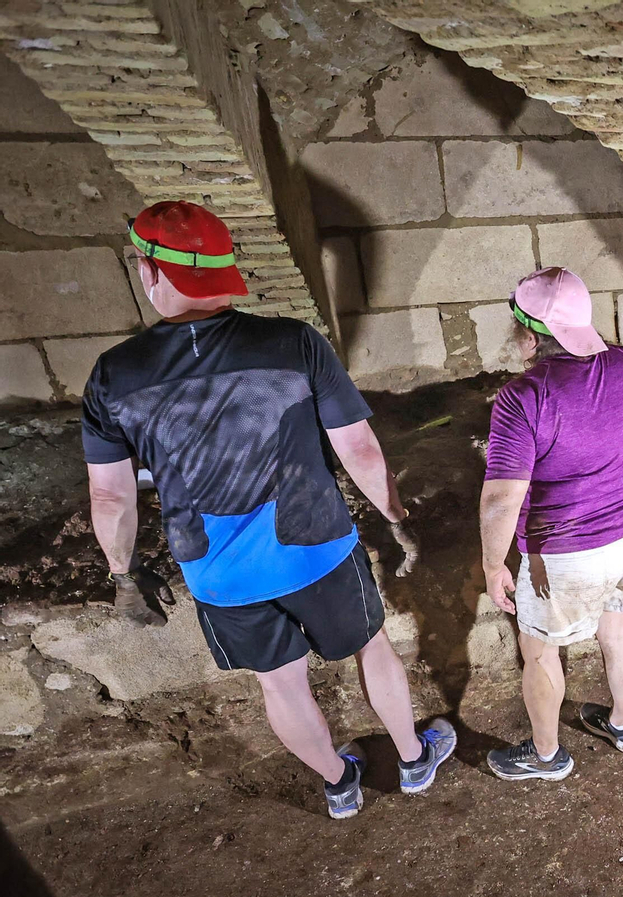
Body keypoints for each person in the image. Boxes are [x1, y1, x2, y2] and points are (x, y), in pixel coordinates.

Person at [81, 201, 455, 819]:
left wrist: (122, 574)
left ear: (152, 273)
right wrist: (393, 514)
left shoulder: (113, 377)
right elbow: (358, 445)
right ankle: (414, 759)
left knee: (278, 681)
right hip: (317, 546)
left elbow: (110, 495)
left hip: (218, 571)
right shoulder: (292, 342)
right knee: (372, 646)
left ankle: (339, 784)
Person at [479, 266, 623, 781]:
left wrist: (493, 563)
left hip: (562, 555)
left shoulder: (523, 397)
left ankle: (545, 757)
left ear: (530, 332)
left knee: (538, 651)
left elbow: (501, 498)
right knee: (616, 627)